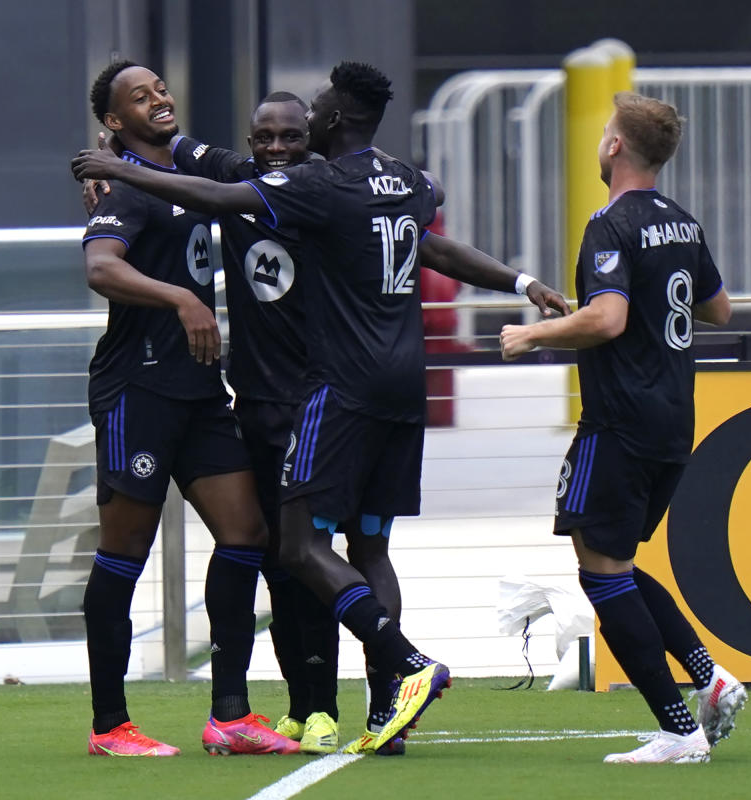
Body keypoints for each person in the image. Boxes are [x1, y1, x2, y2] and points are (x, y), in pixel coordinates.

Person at [74, 60, 570, 755]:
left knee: (284, 544)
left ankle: (319, 698)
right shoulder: (287, 179)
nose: (277, 146)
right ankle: (131, 720)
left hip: (317, 398)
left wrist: (122, 166)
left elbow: (418, 228)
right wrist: (119, 169)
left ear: (320, 132)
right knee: (237, 546)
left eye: (293, 133)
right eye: (141, 93)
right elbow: (112, 251)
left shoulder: (305, 189)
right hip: (187, 390)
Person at [499, 92, 746, 764]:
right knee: (617, 566)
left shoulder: (610, 223)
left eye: (606, 130)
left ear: (614, 147)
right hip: (672, 416)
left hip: (621, 419)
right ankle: (709, 676)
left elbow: (606, 319)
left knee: (601, 573)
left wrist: (534, 334)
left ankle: (678, 728)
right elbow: (719, 309)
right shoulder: (682, 222)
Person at [79, 60, 299, 757]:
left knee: (245, 533)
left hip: (201, 393)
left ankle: (229, 715)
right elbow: (100, 267)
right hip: (137, 392)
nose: (159, 99)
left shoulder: (181, 171)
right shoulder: (127, 190)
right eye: (138, 98)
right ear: (115, 122)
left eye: (160, 88)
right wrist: (180, 298)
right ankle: (110, 725)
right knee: (124, 554)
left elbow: (253, 173)